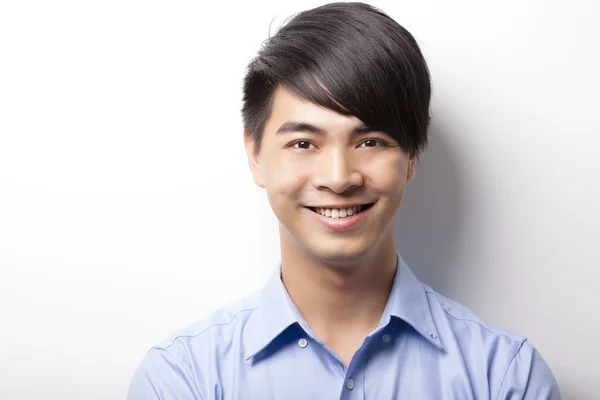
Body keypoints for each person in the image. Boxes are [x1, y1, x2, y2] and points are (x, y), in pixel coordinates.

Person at [127, 2, 561, 399]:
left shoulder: (504, 377)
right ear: (255, 156)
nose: (338, 178)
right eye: (303, 143)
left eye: (370, 141)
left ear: (411, 155)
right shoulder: (183, 378)